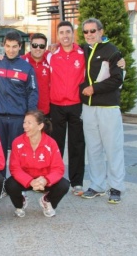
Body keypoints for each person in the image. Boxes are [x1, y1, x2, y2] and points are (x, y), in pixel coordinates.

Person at [79, 18, 126, 204]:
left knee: (113, 148)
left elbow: (117, 79)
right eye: (86, 32)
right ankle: (97, 185)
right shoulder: (82, 50)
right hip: (89, 108)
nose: (89, 34)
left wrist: (94, 89)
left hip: (108, 107)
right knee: (93, 148)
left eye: (93, 31)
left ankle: (116, 187)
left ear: (101, 31)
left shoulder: (112, 51)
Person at [0, 30, 38, 178]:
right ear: (3, 46)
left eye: (14, 46)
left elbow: (33, 92)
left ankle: (20, 184)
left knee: (19, 153)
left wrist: (30, 117)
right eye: (8, 46)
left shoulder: (26, 67)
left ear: (20, 47)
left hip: (18, 117)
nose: (11, 50)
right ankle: (1, 185)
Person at [5, 110, 70, 218]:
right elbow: (14, 168)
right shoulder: (17, 142)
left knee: (64, 184)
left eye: (29, 123)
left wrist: (46, 180)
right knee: (9, 184)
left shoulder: (51, 143)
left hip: (43, 180)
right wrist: (30, 181)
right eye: (24, 122)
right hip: (26, 179)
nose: (25, 126)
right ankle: (20, 203)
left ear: (40, 126)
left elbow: (58, 168)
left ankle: (46, 201)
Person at [46, 21, 86, 196]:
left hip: (77, 105)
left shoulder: (83, 53)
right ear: (58, 36)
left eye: (68, 32)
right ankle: (54, 180)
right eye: (61, 32)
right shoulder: (51, 55)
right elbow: (33, 60)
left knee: (77, 144)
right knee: (56, 146)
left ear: (73, 34)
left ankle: (76, 182)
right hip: (56, 106)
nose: (65, 36)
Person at [22, 33, 51, 116]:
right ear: (30, 46)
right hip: (25, 111)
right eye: (35, 45)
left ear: (45, 48)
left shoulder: (50, 60)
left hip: (45, 111)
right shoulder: (22, 61)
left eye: (41, 46)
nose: (38, 48)